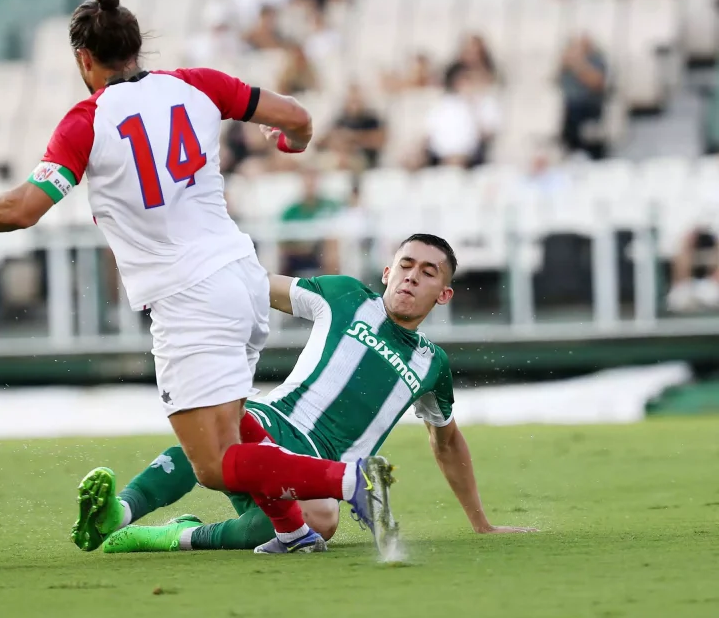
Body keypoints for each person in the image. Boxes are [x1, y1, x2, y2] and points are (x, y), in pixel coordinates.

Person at [0, 0, 391, 556]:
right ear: (135, 47)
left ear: (84, 59)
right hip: (242, 277)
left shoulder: (86, 121)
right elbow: (297, 118)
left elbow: (22, 211)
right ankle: (293, 532)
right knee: (236, 423)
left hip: (188, 296)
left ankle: (350, 480)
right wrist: (291, 141)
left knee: (216, 466)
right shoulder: (196, 84)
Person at [72, 235, 537, 553]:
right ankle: (121, 510)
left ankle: (176, 536)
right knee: (220, 433)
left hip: (317, 469)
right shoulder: (345, 297)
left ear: (444, 294)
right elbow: (256, 285)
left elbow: (447, 440)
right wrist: (193, 273)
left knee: (321, 523)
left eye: (429, 272)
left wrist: (481, 521)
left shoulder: (432, 364)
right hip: (274, 421)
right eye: (406, 265)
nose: (412, 276)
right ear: (387, 271)